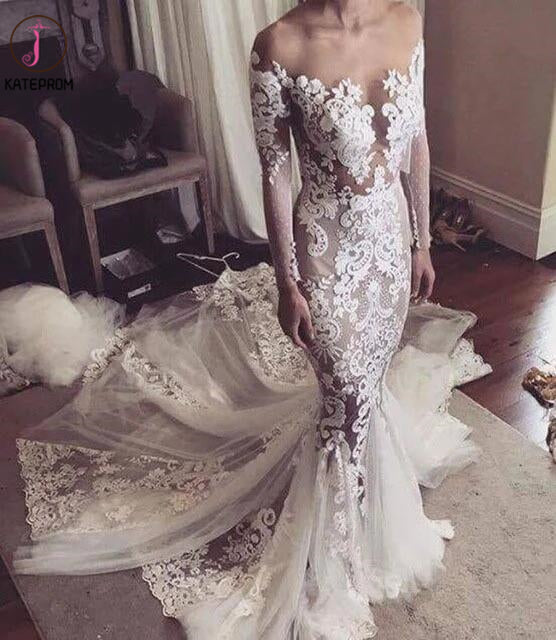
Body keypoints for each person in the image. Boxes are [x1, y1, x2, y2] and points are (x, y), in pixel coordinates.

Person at [12, 2, 489, 638]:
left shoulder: (407, 18)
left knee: (365, 392)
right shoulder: (279, 46)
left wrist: (423, 242)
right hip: (328, 255)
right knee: (344, 391)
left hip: (390, 248)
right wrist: (288, 283)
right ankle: (336, 550)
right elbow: (277, 172)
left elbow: (418, 138)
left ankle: (372, 504)